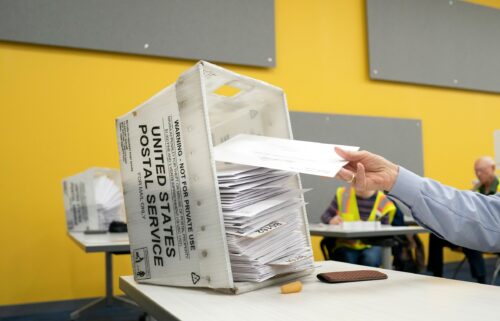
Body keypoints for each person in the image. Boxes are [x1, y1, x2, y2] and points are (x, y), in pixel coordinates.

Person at [335, 148, 500, 253]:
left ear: (493, 169)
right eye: (476, 171)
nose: (478, 174)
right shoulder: (343, 194)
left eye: (482, 171)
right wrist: (393, 178)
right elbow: (487, 216)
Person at [320, 186, 397, 267]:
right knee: (347, 259)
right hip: (346, 244)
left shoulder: (384, 202)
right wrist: (331, 220)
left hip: (372, 245)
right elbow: (325, 216)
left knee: (370, 259)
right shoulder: (343, 194)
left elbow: (384, 233)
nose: (356, 183)